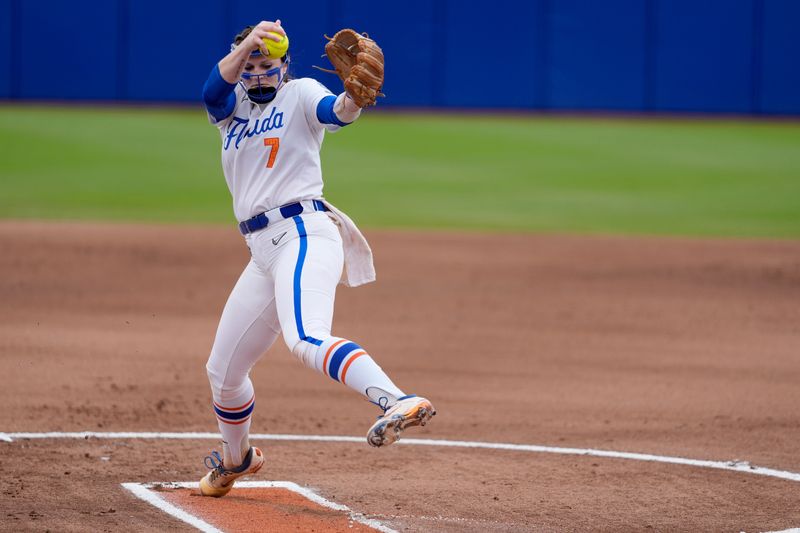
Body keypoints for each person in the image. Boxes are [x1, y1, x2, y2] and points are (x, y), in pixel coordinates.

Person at [198, 20, 435, 497]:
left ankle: (398, 400)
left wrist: (354, 100)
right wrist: (247, 44)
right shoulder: (229, 110)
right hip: (262, 252)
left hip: (303, 232)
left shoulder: (301, 92)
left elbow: (338, 110)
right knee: (223, 374)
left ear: (285, 66)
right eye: (252, 65)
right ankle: (235, 458)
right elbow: (212, 88)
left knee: (305, 338)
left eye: (269, 65)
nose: (260, 73)